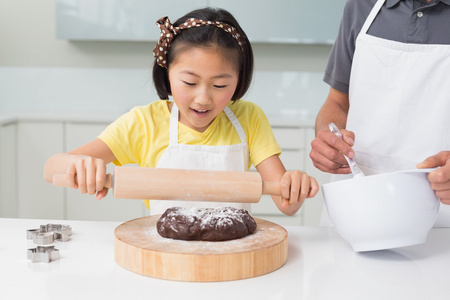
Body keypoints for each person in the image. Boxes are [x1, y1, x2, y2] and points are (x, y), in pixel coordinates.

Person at [44, 7, 319, 216]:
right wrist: (78, 165)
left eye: (220, 85)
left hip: (231, 256)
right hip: (165, 255)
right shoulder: (144, 123)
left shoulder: (249, 118)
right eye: (189, 82)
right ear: (167, 72)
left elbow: (287, 206)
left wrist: (293, 186)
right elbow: (51, 168)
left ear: (239, 80)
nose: (203, 98)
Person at [310, 0, 450, 226]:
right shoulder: (360, 7)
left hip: (441, 219)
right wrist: (327, 140)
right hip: (354, 209)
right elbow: (337, 103)